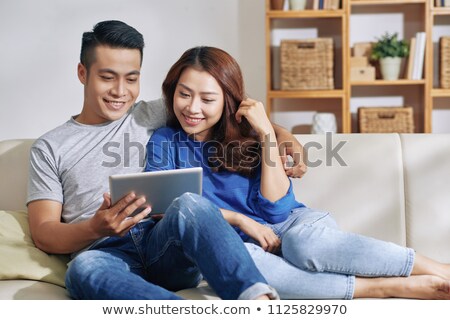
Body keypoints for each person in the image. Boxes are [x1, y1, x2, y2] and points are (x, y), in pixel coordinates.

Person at [26, 20, 306, 300]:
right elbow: (44, 233)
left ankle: (258, 301)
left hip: (164, 240)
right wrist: (94, 228)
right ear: (82, 73)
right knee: (81, 270)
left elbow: (230, 105)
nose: (120, 91)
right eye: (108, 77)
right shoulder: (50, 147)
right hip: (104, 252)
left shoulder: (149, 113)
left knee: (189, 202)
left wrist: (283, 136)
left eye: (131, 79)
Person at [145, 46, 450, 300]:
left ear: (227, 99)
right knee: (242, 263)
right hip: (239, 243)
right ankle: (383, 288)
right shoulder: (164, 141)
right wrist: (240, 220)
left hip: (293, 225)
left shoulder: (251, 134)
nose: (192, 108)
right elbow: (166, 207)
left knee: (302, 244)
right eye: (184, 94)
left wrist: (266, 132)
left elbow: (277, 208)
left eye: (207, 99)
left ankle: (438, 268)